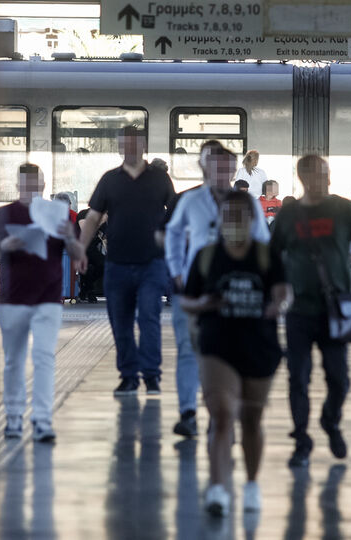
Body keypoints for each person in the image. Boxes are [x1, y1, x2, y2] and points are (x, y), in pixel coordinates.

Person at [180, 191, 290, 517]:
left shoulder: (267, 256)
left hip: (259, 346)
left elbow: (283, 292)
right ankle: (217, 488)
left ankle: (252, 484)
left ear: (252, 220)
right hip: (217, 345)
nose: (233, 223)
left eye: (240, 216)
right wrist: (204, 305)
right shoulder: (207, 256)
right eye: (227, 216)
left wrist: (278, 304)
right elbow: (187, 299)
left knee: (251, 420)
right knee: (222, 414)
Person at [270, 154, 351, 467]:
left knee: (340, 379)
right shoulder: (288, 215)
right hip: (300, 311)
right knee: (297, 378)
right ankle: (301, 439)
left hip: (336, 310)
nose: (327, 180)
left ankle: (330, 421)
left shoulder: (345, 209)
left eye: (327, 173)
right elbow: (273, 257)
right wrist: (276, 293)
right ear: (305, 177)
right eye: (321, 174)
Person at [166, 141, 270, 439]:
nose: (221, 172)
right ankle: (188, 413)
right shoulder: (191, 201)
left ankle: (219, 413)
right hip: (194, 288)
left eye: (227, 167)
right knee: (189, 350)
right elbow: (172, 234)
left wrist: (260, 281)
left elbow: (262, 243)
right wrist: (176, 271)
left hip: (233, 289)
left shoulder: (246, 203)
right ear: (206, 168)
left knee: (227, 353)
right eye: (216, 166)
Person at [0, 163, 87, 442]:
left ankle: (42, 420)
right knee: (13, 360)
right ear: (18, 186)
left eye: (36, 185)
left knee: (44, 357)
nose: (31, 190)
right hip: (12, 298)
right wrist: (2, 247)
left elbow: (78, 252)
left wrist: (68, 235)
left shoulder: (59, 215)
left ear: (43, 186)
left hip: (48, 297)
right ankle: (14, 417)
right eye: (26, 185)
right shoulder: (2, 215)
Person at [79, 125, 176, 396]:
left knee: (149, 319)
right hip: (117, 265)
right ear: (120, 146)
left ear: (143, 145)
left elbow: (175, 213)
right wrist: (80, 250)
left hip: (152, 264)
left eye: (134, 143)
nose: (129, 148)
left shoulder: (160, 179)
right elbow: (93, 218)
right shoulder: (110, 180)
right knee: (120, 322)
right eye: (125, 144)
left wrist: (170, 241)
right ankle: (129, 376)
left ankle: (152, 375)